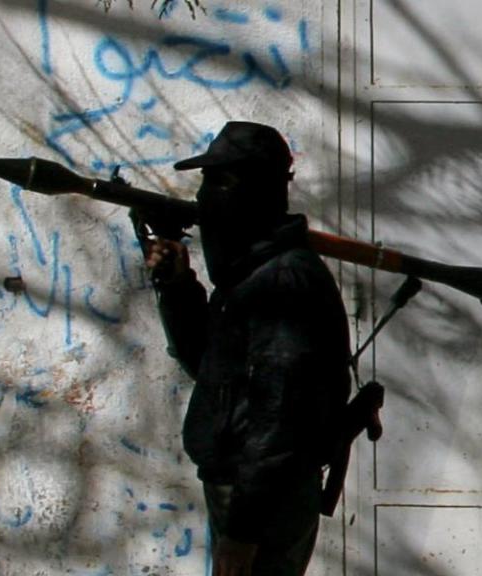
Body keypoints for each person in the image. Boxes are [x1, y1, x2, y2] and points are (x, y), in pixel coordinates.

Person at [144, 121, 352, 575]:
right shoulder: (253, 275)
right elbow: (209, 368)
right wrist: (179, 284)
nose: (204, 197)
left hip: (263, 500)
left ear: (259, 190)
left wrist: (243, 531)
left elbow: (280, 419)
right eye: (205, 182)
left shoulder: (284, 281)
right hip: (243, 491)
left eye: (221, 181)